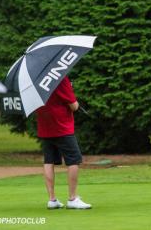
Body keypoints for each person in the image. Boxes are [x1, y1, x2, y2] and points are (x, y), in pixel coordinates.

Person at [36, 76, 91, 209]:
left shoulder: (36, 78)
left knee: (49, 161)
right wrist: (76, 102)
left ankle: (52, 200)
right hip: (62, 126)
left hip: (45, 125)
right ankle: (72, 199)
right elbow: (73, 106)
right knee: (73, 160)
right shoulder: (59, 77)